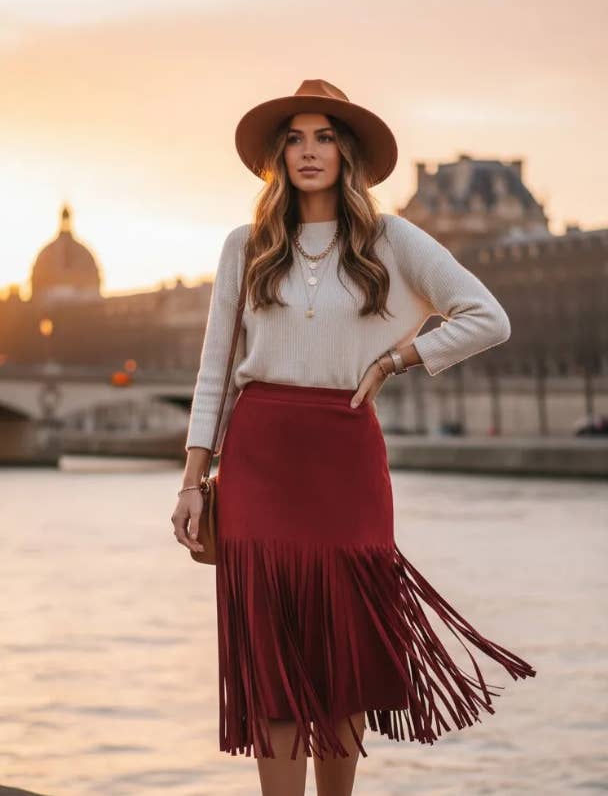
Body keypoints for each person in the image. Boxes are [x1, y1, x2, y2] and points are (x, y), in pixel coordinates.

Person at [171, 79, 536, 796]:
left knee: (344, 663)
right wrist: (191, 480)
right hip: (260, 460)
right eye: (296, 139)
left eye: (325, 136)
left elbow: (488, 316)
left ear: (349, 153)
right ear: (279, 156)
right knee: (273, 670)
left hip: (346, 459)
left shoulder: (391, 240)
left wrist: (403, 356)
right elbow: (216, 366)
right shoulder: (244, 246)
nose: (310, 151)